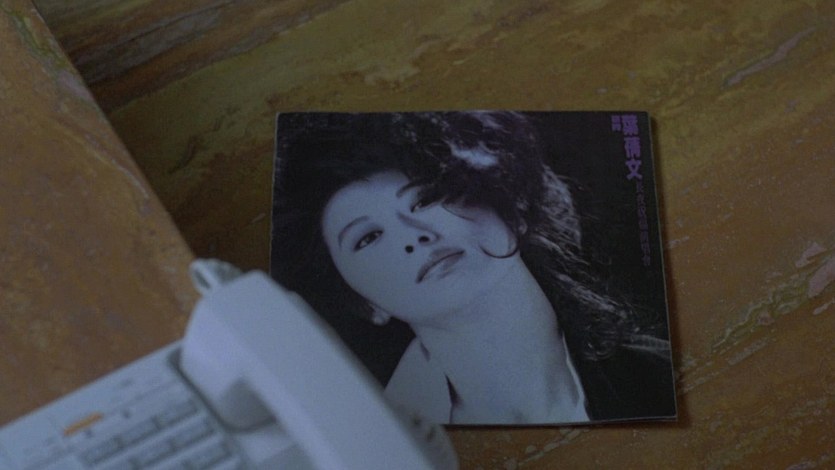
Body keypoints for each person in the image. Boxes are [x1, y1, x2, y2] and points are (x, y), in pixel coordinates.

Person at [270, 111, 676, 425]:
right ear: (363, 303)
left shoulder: (661, 377)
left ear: (509, 203)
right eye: (368, 237)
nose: (413, 236)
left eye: (424, 199)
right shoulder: (377, 440)